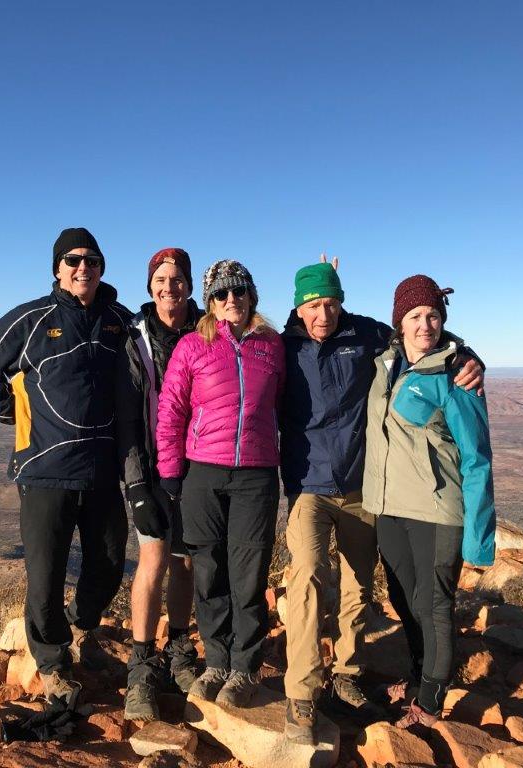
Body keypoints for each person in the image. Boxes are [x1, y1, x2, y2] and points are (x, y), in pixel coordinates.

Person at [280, 261, 483, 745]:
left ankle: (348, 675)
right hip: (309, 486)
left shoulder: (367, 335)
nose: (324, 314)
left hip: (362, 489)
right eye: (314, 305)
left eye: (332, 303)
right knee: (307, 575)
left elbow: (422, 333)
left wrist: (467, 355)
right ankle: (302, 692)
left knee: (358, 585)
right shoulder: (282, 347)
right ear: (299, 307)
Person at [0, 227, 132, 702]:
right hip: (44, 468)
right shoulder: (33, 318)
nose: (83, 268)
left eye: (92, 260)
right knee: (46, 573)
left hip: (102, 468)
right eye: (72, 260)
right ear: (57, 269)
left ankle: (80, 625)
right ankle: (53, 663)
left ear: (101, 267)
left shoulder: (120, 320)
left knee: (109, 561)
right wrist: (15, 413)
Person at [362, 274, 496, 730]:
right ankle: (418, 678)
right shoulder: (385, 363)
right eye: (416, 316)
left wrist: (479, 539)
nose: (425, 325)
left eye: (434, 315)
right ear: (399, 321)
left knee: (434, 605)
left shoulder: (456, 375)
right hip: (390, 507)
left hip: (438, 511)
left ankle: (431, 702)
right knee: (404, 600)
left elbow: (477, 459)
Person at [155, 259, 285, 708]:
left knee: (249, 573)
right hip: (202, 472)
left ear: (252, 296)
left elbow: (285, 403)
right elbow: (171, 410)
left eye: (239, 291)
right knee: (208, 571)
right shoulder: (193, 345)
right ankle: (216, 661)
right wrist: (170, 471)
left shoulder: (272, 345)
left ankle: (244, 667)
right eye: (221, 293)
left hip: (256, 473)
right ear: (210, 302)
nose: (232, 300)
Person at [116, 247, 203, 721]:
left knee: (185, 561)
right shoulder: (135, 337)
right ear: (150, 287)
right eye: (161, 281)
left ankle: (180, 649)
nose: (170, 288)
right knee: (153, 558)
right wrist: (135, 486)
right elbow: (128, 417)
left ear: (189, 284)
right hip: (150, 467)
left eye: (177, 279)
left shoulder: (210, 330)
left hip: (200, 466)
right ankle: (142, 661)